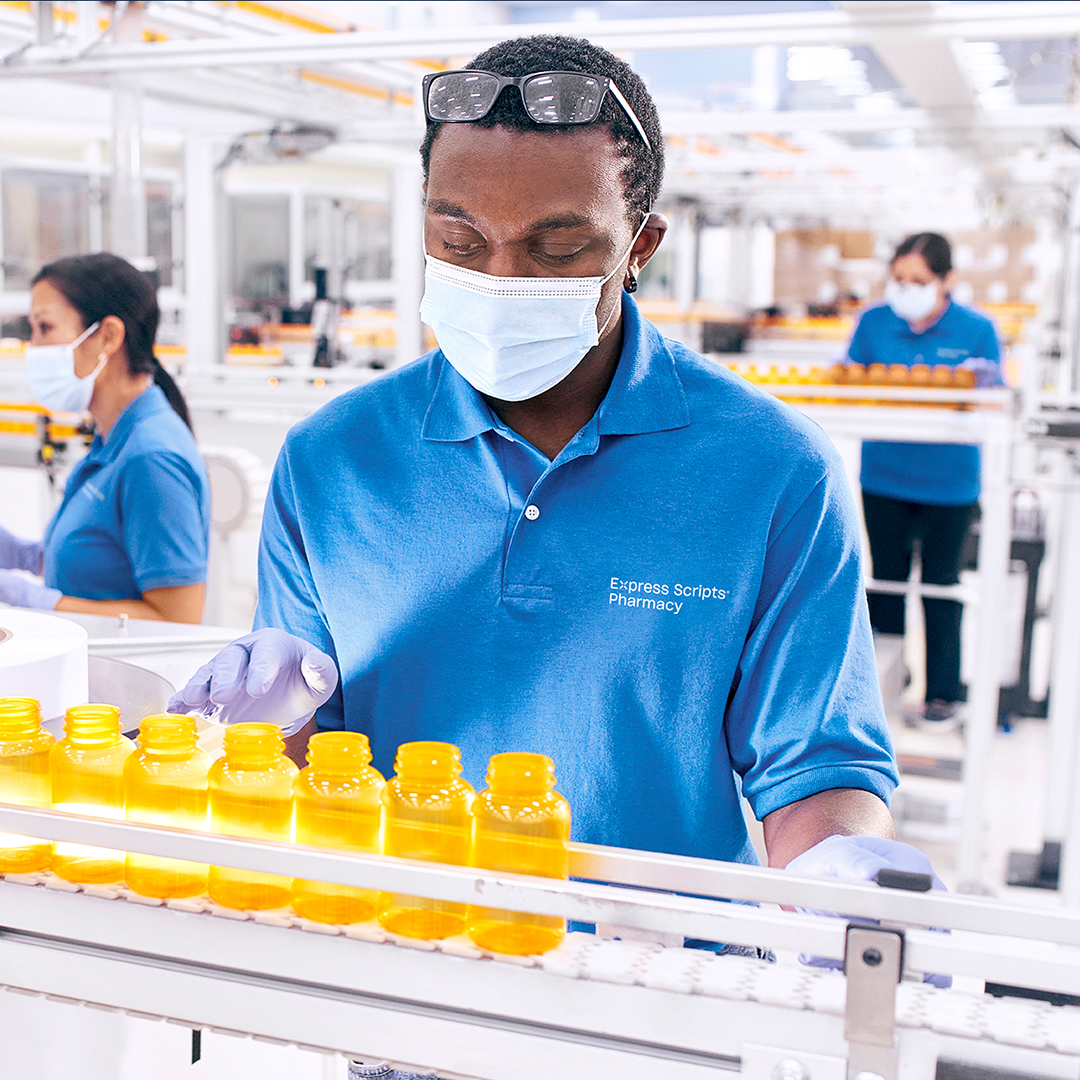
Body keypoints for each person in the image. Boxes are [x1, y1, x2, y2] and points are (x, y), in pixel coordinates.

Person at [173, 29, 924, 936]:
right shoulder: (332, 459)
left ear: (639, 244)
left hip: (658, 981)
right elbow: (310, 762)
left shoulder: (771, 470)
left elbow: (812, 765)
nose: (500, 278)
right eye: (459, 237)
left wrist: (840, 885)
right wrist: (262, 732)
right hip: (399, 955)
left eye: (557, 250)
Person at [0, 252, 210, 624]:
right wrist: (21, 555)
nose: (33, 347)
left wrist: (30, 599)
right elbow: (100, 564)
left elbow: (177, 619)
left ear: (108, 336)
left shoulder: (152, 456)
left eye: (44, 328)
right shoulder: (114, 439)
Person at [847, 233, 1002, 729]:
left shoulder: (977, 329)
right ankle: (887, 680)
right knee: (884, 585)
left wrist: (986, 383)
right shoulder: (873, 322)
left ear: (946, 281)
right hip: (885, 475)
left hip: (950, 485)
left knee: (941, 589)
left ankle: (943, 694)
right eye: (898, 280)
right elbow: (850, 375)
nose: (905, 289)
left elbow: (994, 394)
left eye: (918, 281)